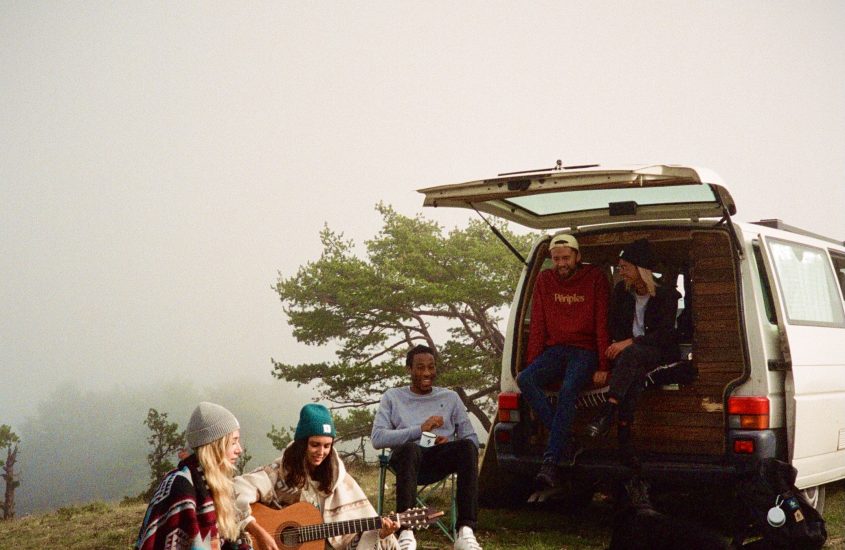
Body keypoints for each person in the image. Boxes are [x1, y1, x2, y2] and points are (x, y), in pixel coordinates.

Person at [516, 232, 611, 489]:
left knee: (569, 389)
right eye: (556, 259)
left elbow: (602, 323)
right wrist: (533, 362)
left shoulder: (594, 278)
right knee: (525, 379)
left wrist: (603, 365)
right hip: (556, 350)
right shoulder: (545, 280)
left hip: (585, 350)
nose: (561, 263)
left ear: (577, 257)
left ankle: (550, 461)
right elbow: (537, 325)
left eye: (566, 258)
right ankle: (566, 440)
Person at [234, 403, 399, 550]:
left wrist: (382, 534)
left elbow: (356, 536)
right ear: (302, 444)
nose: (321, 452)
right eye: (315, 445)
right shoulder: (278, 473)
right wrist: (257, 530)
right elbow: (233, 490)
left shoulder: (340, 481)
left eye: (327, 446)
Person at [371, 344, 483, 550]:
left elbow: (472, 439)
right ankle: (406, 531)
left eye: (431, 367)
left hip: (439, 458)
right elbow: (377, 438)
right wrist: (419, 430)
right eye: (420, 367)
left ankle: (465, 531)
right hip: (406, 460)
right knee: (411, 449)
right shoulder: (393, 397)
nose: (427, 373)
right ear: (409, 369)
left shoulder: (450, 398)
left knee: (467, 447)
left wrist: (448, 443)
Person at [585, 238, 681, 465]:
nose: (621, 272)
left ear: (640, 269)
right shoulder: (622, 292)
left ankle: (608, 411)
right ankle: (624, 439)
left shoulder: (666, 295)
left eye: (625, 267)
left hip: (659, 353)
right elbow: (613, 327)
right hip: (632, 358)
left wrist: (630, 342)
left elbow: (665, 335)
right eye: (619, 268)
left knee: (632, 354)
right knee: (634, 374)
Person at [136, 401, 252, 550]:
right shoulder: (180, 486)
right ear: (214, 446)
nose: (239, 450)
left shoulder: (213, 484)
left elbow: (225, 543)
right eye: (233, 442)